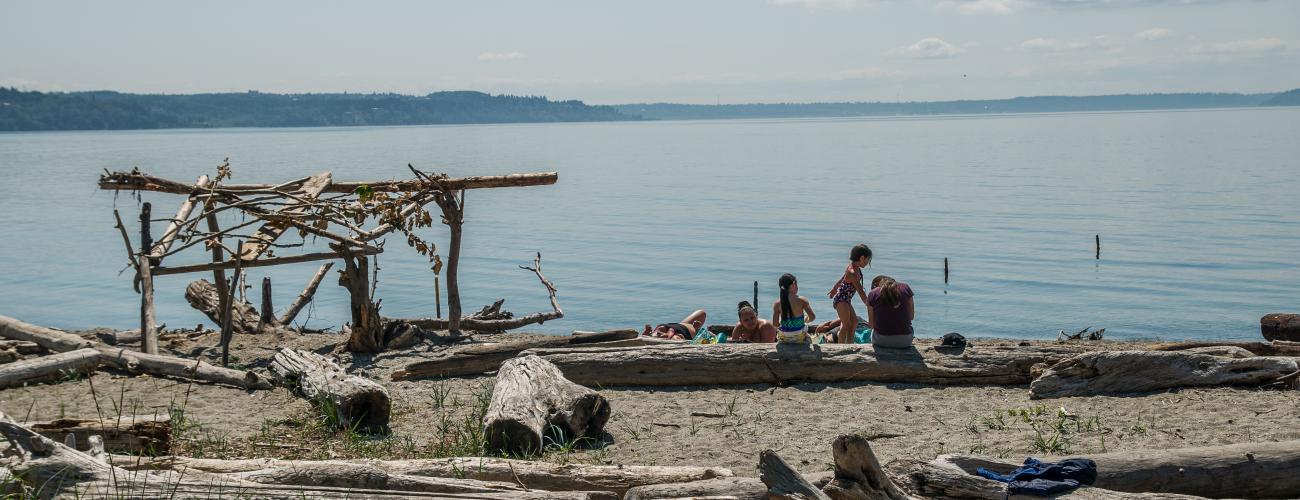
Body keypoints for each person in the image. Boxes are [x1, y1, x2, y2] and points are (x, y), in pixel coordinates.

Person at [827, 243, 872, 344]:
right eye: (868, 260)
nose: (868, 263)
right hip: (841, 300)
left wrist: (834, 288)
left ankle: (850, 343)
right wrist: (868, 303)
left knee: (855, 322)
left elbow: (843, 278)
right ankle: (841, 345)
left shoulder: (854, 268)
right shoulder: (852, 272)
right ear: (861, 258)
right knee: (846, 324)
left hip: (846, 299)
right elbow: (860, 290)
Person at [867, 275, 915, 348]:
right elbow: (911, 316)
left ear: (876, 286)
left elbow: (871, 325)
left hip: (881, 341)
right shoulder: (906, 288)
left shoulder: (873, 293)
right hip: (905, 341)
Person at [772, 273, 816, 343]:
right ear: (793, 284)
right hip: (800, 336)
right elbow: (812, 317)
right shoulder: (802, 300)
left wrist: (783, 323)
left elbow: (775, 323)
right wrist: (806, 319)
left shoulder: (777, 303)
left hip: (784, 337)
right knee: (809, 338)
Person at [643, 309, 707, 341]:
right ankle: (697, 331)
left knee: (701, 312)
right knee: (676, 338)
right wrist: (696, 328)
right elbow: (671, 333)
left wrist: (647, 332)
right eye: (659, 334)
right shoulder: (675, 337)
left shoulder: (660, 329)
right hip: (690, 332)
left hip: (682, 325)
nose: (658, 332)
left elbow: (642, 338)